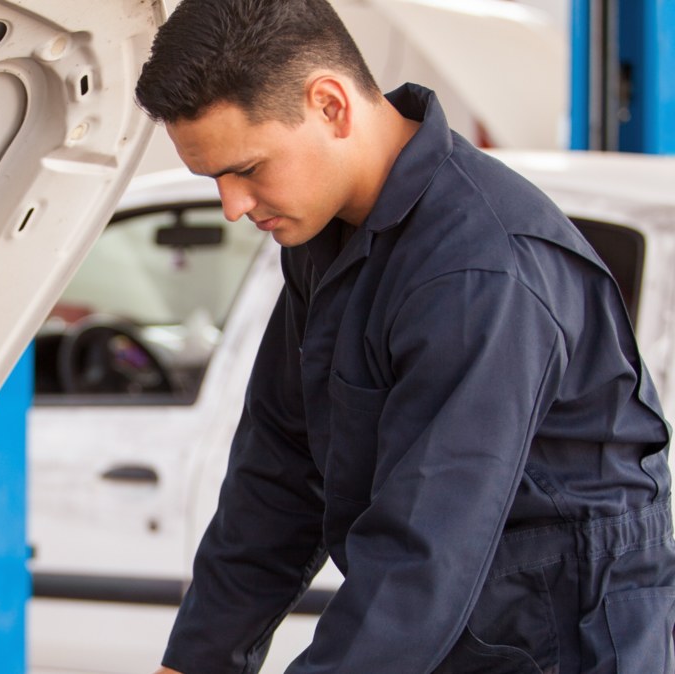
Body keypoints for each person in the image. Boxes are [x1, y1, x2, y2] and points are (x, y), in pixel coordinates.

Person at [133, 1, 675, 672]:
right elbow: (279, 474)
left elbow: (422, 554)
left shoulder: (479, 269)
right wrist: (195, 660)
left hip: (560, 644)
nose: (233, 206)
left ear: (330, 105)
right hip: (457, 629)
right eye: (214, 179)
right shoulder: (324, 237)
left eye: (246, 168)